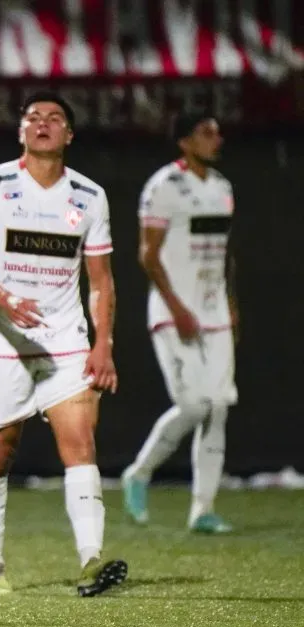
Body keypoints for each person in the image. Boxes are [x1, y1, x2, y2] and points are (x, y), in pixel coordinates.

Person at [0, 92, 127, 597]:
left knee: (80, 444)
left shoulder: (90, 196)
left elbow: (101, 280)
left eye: (55, 118)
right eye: (33, 117)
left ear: (69, 135)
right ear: (21, 132)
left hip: (66, 343)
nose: (43, 124)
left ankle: (91, 560)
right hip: (3, 342)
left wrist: (104, 345)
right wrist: (4, 298)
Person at [121, 113, 238, 533]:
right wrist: (178, 307)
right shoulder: (164, 186)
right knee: (193, 405)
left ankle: (202, 509)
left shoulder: (223, 188)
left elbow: (225, 253)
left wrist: (230, 303)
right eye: (207, 132)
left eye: (216, 131)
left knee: (219, 408)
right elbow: (148, 254)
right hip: (175, 312)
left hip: (215, 313)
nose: (216, 138)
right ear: (185, 142)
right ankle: (139, 473)